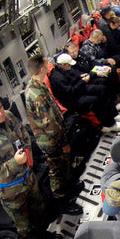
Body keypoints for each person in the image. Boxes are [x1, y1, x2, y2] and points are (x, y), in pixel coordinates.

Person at [0, 94, 62, 239]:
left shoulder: (8, 116)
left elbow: (24, 134)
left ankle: (43, 234)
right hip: (11, 192)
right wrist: (15, 163)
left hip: (28, 178)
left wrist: (27, 154)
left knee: (38, 211)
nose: (1, 113)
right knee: (23, 224)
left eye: (0, 107)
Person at [23, 54, 73, 203]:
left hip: (52, 137)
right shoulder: (37, 94)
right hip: (51, 141)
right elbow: (50, 125)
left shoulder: (36, 86)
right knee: (57, 170)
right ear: (43, 68)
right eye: (46, 63)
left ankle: (68, 190)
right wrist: (64, 142)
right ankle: (62, 201)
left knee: (63, 166)